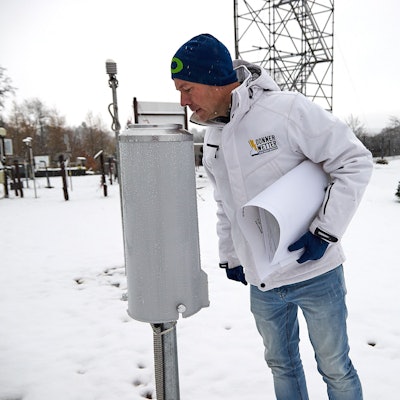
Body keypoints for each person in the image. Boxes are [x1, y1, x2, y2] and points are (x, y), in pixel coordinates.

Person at [171, 33, 373, 400]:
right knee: (282, 365)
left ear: (216, 80)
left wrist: (325, 232)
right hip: (262, 280)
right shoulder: (213, 137)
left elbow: (354, 161)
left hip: (316, 272)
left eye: (188, 88)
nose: (183, 101)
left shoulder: (286, 111)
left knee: (335, 368)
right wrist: (230, 255)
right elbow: (224, 201)